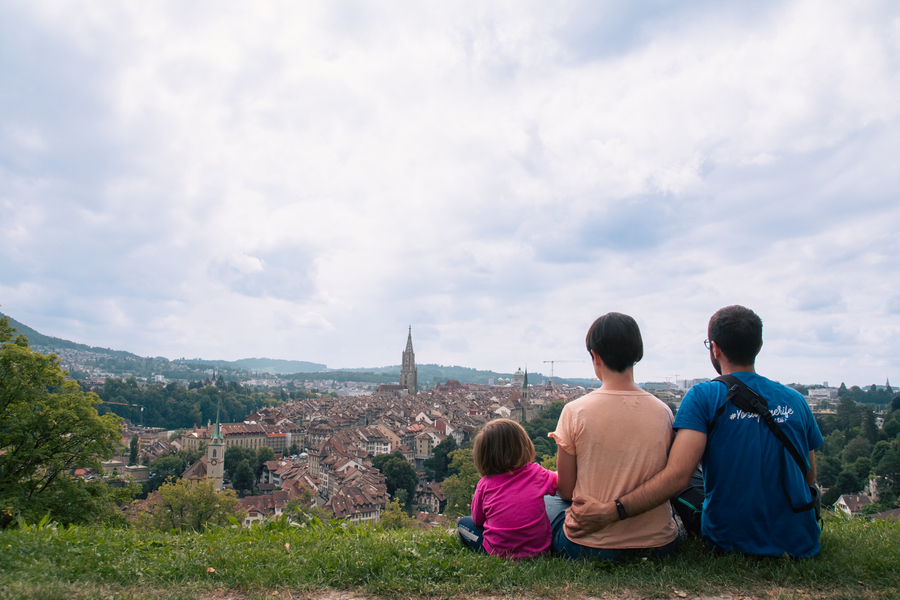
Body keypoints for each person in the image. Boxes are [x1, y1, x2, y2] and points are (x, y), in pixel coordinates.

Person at [565, 305, 824, 558]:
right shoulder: (795, 400)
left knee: (681, 472)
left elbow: (677, 477)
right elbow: (809, 476)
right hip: (800, 539)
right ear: (758, 346)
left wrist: (611, 511)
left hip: (729, 538)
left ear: (715, 348)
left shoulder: (705, 396)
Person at [546, 312, 680, 560]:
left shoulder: (574, 411)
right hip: (659, 545)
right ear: (636, 355)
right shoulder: (664, 412)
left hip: (589, 545)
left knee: (547, 501)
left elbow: (565, 490)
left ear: (595, 356)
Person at [457, 418, 558, 558]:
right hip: (539, 551)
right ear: (524, 446)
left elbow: (477, 520)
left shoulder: (485, 484)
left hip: (497, 553)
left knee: (463, 523)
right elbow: (560, 481)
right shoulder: (538, 473)